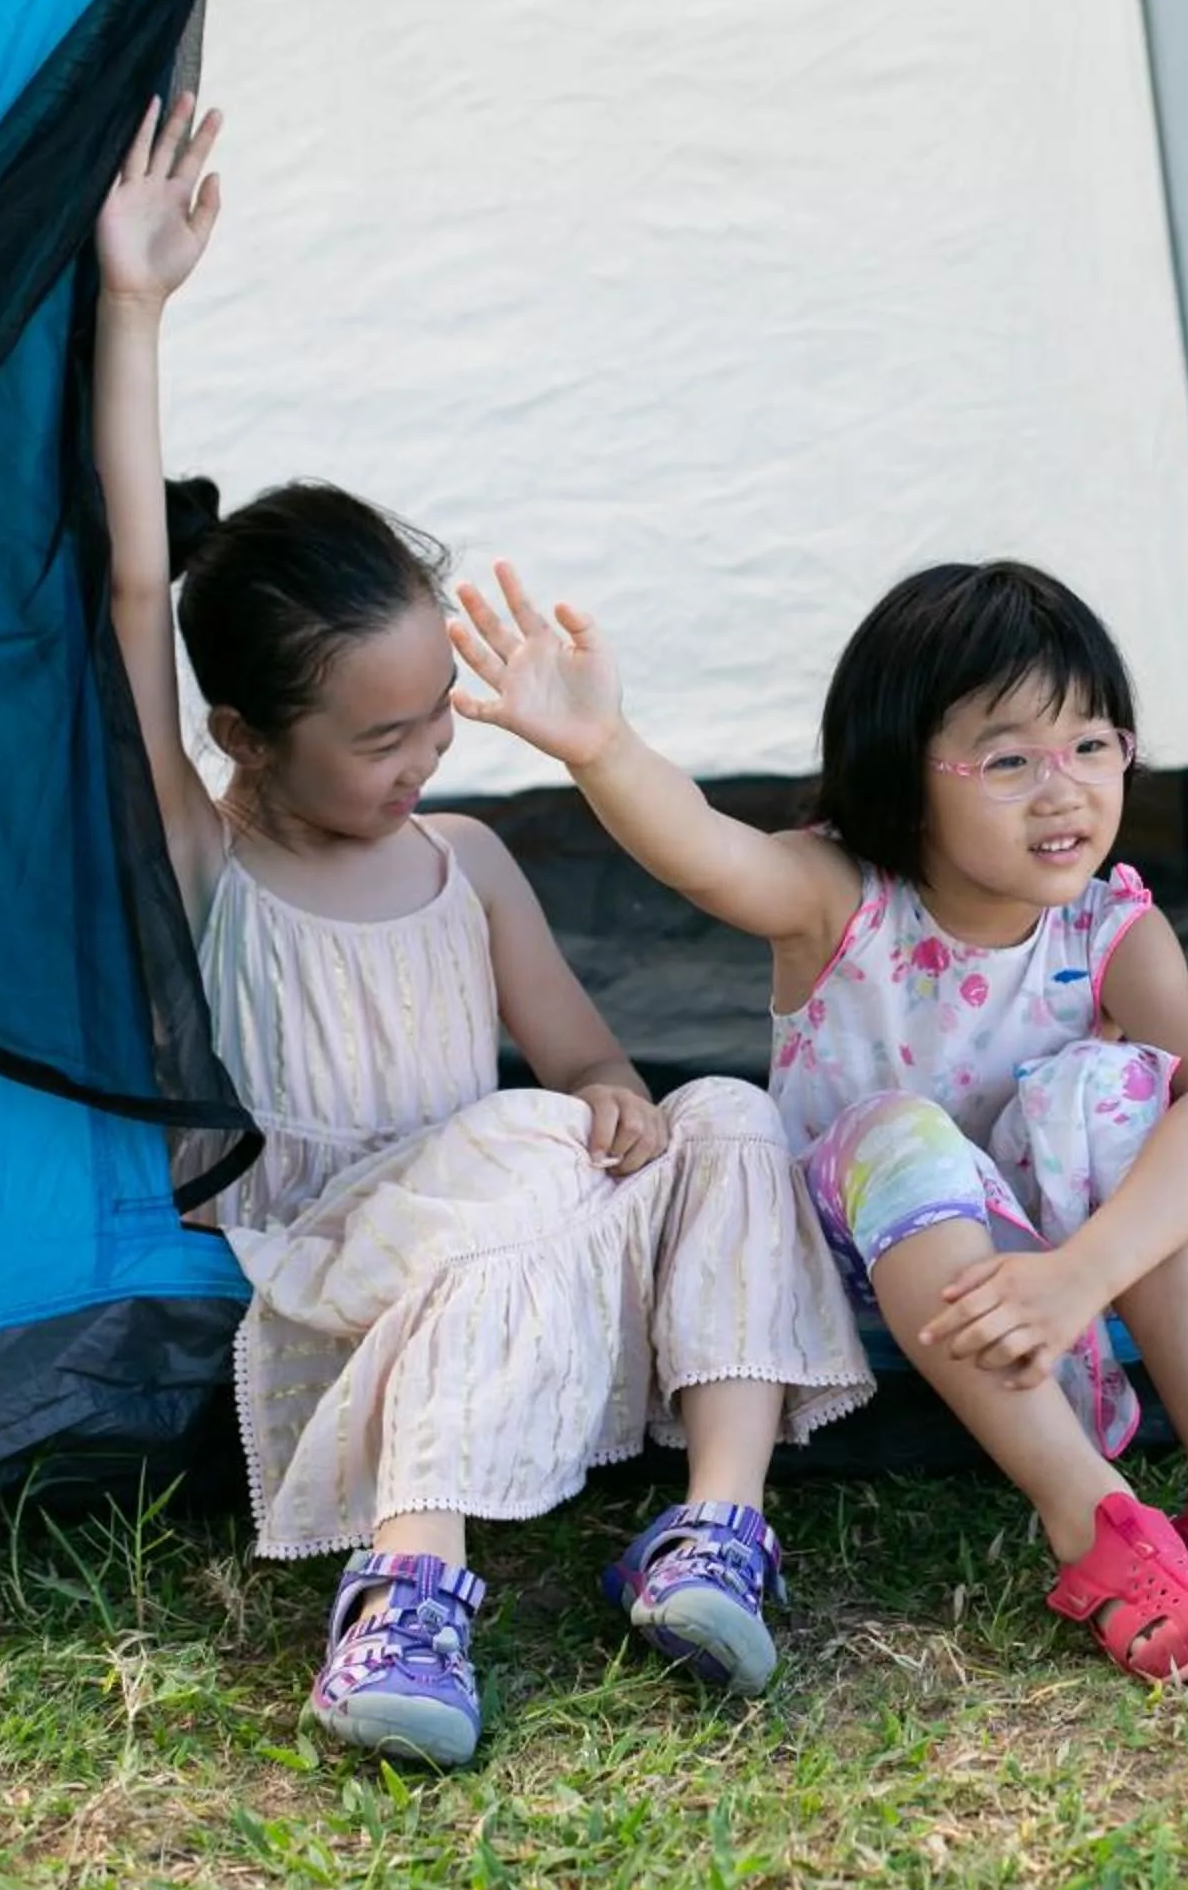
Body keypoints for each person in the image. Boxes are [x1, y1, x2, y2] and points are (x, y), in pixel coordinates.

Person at [93, 96, 870, 1767]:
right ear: (244, 738)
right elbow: (126, 608)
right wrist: (135, 309)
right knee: (519, 1150)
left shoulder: (471, 865)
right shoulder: (210, 860)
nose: (425, 759)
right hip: (330, 1263)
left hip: (513, 1248)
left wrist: (608, 1095)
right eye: (380, 742)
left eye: (434, 719)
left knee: (725, 1112)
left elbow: (582, 1054)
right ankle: (408, 1590)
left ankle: (715, 1527)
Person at [447, 553, 1188, 1680]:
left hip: (1054, 1287)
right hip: (863, 1285)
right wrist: (603, 748)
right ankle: (1095, 1524)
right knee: (898, 1128)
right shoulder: (839, 896)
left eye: (1093, 745)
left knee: (1145, 1099)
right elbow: (705, 851)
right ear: (905, 771)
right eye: (1008, 759)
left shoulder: (1112, 926)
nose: (1064, 789)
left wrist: (1080, 1273)